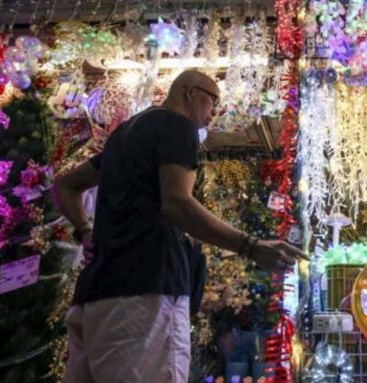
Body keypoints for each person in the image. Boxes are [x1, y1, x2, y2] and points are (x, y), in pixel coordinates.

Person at [53, 69, 307, 383]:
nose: (213, 114)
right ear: (190, 92)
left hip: (96, 296)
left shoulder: (126, 134)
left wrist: (85, 230)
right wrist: (251, 247)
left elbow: (66, 185)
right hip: (143, 294)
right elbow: (177, 204)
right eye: (213, 102)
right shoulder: (176, 126)